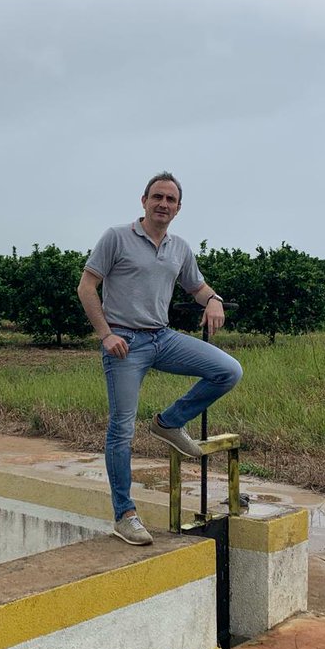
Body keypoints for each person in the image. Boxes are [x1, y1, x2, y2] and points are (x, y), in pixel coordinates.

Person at [77, 172, 243, 546]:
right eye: (157, 197)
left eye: (170, 199)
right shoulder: (116, 237)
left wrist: (214, 300)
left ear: (178, 208)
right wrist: (106, 334)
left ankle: (169, 422)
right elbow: (87, 287)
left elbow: (197, 287)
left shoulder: (179, 247)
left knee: (228, 370)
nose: (163, 204)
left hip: (162, 337)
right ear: (144, 201)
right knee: (121, 428)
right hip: (124, 342)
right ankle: (125, 515)